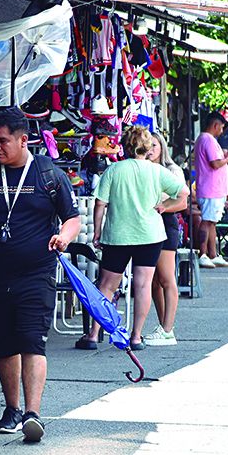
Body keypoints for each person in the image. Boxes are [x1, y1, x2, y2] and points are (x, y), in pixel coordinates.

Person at [0, 107, 80, 443]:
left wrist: (64, 238)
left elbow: (72, 218)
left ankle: (32, 413)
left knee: (32, 340)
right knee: (4, 344)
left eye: (3, 140)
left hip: (37, 272)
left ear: (23, 139)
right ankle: (11, 408)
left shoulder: (48, 174)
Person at [79, 126, 188, 352]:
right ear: (147, 147)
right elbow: (183, 192)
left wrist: (97, 231)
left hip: (118, 235)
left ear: (125, 146)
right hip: (150, 235)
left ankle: (93, 334)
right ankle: (136, 336)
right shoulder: (157, 171)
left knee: (106, 286)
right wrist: (165, 206)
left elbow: (100, 203)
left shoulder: (114, 170)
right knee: (143, 285)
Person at [143, 132, 187, 346]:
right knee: (153, 280)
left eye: (154, 145)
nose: (150, 149)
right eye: (147, 145)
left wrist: (164, 206)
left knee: (167, 277)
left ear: (162, 148)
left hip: (166, 224)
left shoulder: (171, 171)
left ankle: (168, 329)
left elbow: (183, 201)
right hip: (147, 226)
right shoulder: (143, 169)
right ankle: (163, 325)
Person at [194, 112, 228, 268]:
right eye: (221, 128)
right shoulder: (207, 139)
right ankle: (203, 253)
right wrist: (227, 159)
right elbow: (215, 164)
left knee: (212, 222)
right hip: (210, 188)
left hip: (215, 189)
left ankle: (213, 253)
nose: (222, 131)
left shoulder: (207, 140)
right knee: (207, 220)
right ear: (215, 125)